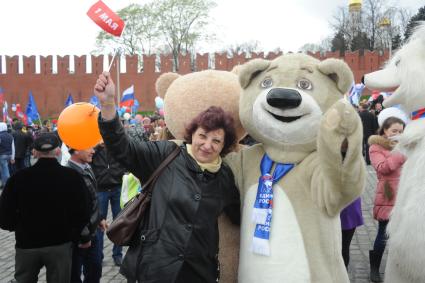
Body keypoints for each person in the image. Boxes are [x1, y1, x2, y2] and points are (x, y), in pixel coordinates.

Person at [94, 72, 240, 283]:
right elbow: (122, 149)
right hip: (154, 268)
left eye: (216, 141)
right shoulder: (166, 155)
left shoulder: (224, 177)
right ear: (192, 134)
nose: (208, 145)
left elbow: (238, 215)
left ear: (224, 146)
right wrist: (108, 104)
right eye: (203, 136)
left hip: (198, 272)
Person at [0, 133, 90, 283]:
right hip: (60, 243)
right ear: (58, 151)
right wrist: (74, 234)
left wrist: (20, 227)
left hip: (26, 244)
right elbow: (83, 212)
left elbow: (4, 215)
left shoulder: (17, 178)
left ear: (34, 152)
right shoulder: (72, 177)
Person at [368, 116, 406, 282]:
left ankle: (398, 268)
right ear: (384, 130)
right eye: (394, 131)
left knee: (402, 234)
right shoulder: (376, 147)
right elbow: (383, 168)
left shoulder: (405, 146)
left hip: (405, 194)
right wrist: (400, 153)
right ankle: (374, 268)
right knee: (384, 234)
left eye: (401, 131)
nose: (398, 134)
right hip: (388, 194)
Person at [67, 147, 107, 283]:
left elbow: (93, 198)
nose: (93, 151)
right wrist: (84, 237)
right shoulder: (69, 174)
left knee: (95, 269)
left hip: (93, 231)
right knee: (74, 274)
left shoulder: (87, 167)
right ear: (76, 150)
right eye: (89, 148)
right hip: (78, 237)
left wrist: (100, 217)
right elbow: (75, 211)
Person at [91, 141, 126, 266]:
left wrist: (122, 173)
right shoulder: (95, 149)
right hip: (101, 189)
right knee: (99, 223)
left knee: (119, 223)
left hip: (117, 186)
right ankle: (98, 255)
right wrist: (97, 147)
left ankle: (118, 254)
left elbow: (125, 159)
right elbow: (89, 159)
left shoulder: (115, 145)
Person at [0, 122, 15, 188]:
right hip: (9, 155)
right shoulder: (10, 136)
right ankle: (4, 184)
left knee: (4, 170)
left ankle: (8, 184)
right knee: (5, 169)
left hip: (2, 155)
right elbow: (13, 147)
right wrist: (12, 157)